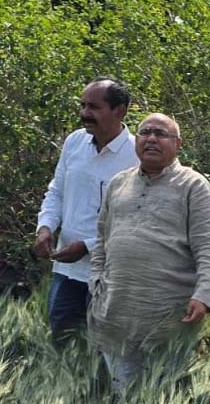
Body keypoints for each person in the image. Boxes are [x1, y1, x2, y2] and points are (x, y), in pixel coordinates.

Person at [87, 113, 210, 392]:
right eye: (145, 132)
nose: (151, 138)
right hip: (116, 312)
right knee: (122, 393)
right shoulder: (118, 183)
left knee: (164, 396)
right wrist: (96, 279)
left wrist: (204, 294)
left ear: (178, 144)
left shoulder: (193, 185)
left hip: (168, 315)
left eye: (161, 134)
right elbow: (102, 237)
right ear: (136, 140)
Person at [33, 77, 138, 343]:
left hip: (111, 275)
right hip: (67, 271)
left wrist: (89, 246)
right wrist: (45, 228)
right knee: (62, 341)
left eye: (93, 107)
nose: (84, 114)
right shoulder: (74, 142)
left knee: (105, 348)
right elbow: (57, 191)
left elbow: (140, 217)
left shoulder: (138, 154)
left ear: (120, 110)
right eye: (82, 106)